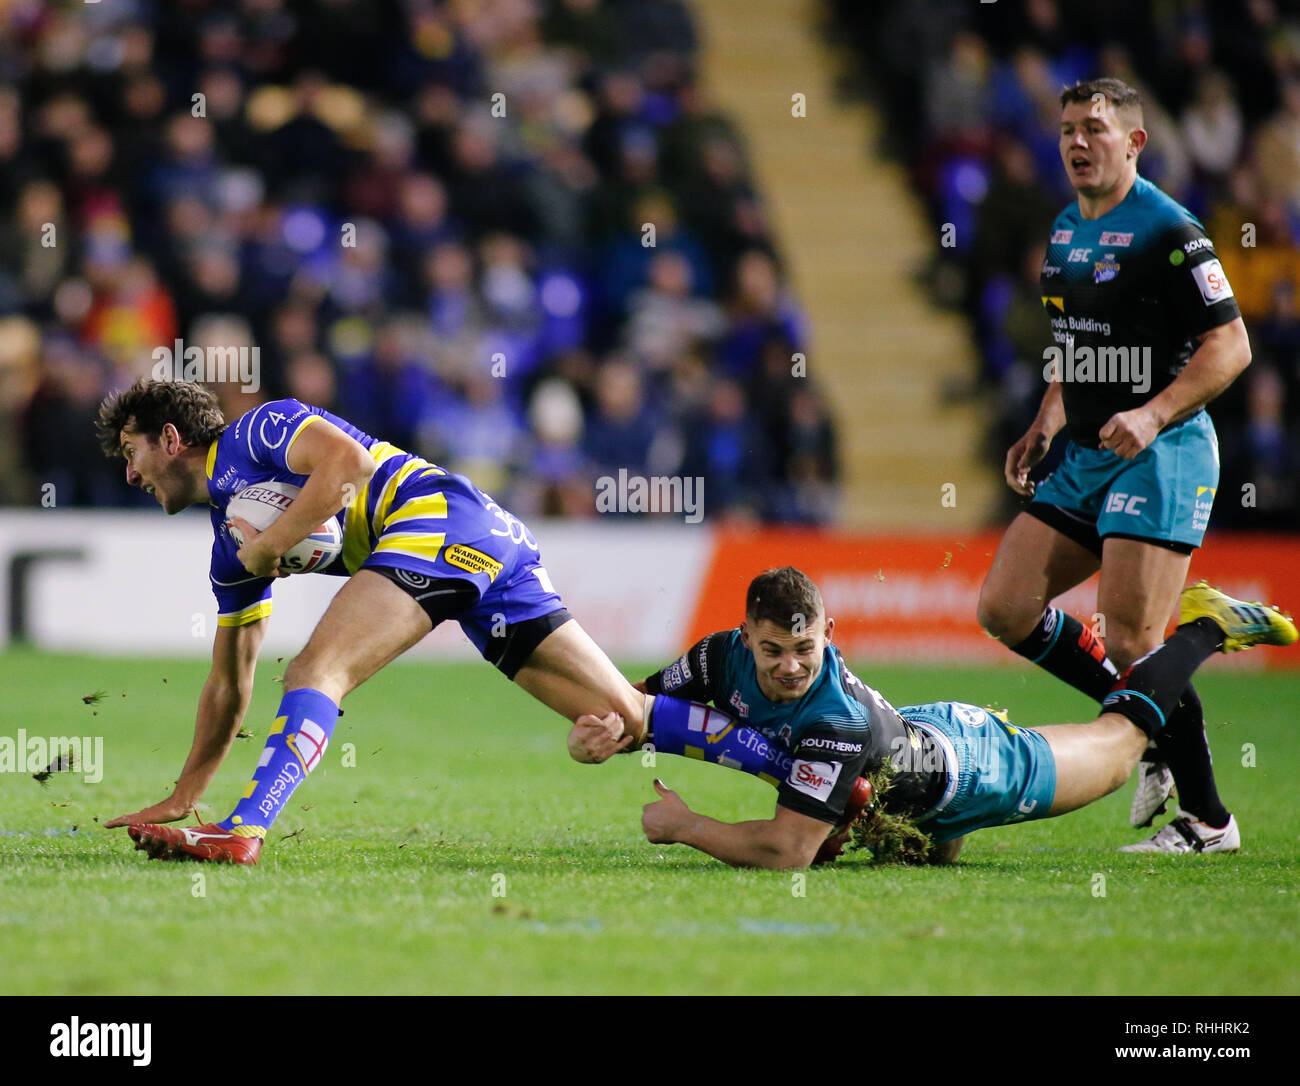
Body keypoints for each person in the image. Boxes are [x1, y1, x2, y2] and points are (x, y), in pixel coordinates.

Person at [96, 378, 652, 864]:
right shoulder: (230, 551)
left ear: (170, 439)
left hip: (437, 516)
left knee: (316, 672)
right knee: (623, 718)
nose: (128, 474)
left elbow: (351, 463)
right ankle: (738, 713)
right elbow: (229, 680)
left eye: (130, 451)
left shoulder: (258, 430)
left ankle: (243, 830)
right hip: (487, 539)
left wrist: (273, 544)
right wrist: (184, 792)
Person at [567, 567, 1294, 870]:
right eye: (773, 650)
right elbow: (636, 703)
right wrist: (607, 732)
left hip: (971, 769)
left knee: (1120, 737)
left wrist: (685, 826)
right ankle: (923, 834)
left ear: (828, 632)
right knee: (910, 850)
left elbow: (787, 852)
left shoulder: (834, 721)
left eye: (806, 648)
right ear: (745, 635)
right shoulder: (718, 656)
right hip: (907, 753)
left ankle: (1203, 627)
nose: (791, 664)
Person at [976, 78, 1254, 853]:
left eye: (1094, 128)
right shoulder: (1064, 231)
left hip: (1162, 450)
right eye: (1067, 129)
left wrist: (1155, 410)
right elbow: (1080, 341)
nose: (1076, 142)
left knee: (1133, 637)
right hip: (1090, 450)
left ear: (1134, 141)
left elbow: (1231, 346)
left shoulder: (1170, 228)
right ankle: (1148, 719)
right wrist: (1047, 416)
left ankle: (1208, 821)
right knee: (1005, 607)